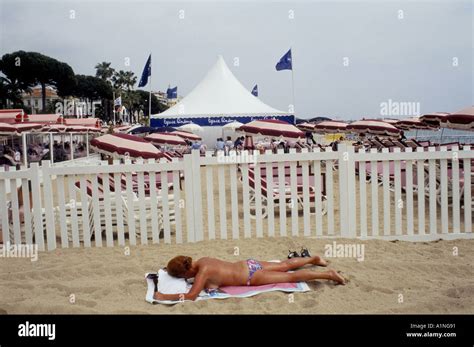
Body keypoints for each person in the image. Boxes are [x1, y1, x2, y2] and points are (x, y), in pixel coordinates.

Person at [153, 255, 346, 301]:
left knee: (292, 276)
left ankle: (328, 275)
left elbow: (191, 296)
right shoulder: (203, 261)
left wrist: (164, 296)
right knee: (285, 265)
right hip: (248, 264)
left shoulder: (202, 274)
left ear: (185, 273)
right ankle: (314, 258)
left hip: (251, 276)